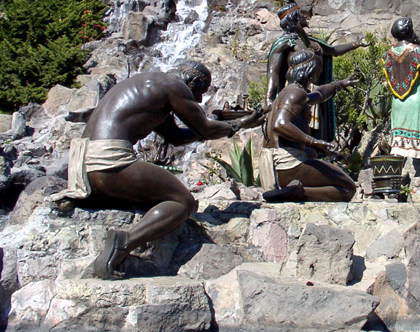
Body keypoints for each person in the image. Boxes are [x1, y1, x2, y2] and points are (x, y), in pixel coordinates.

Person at [51, 61, 262, 279]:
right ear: (194, 81)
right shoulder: (175, 86)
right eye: (200, 92)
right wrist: (241, 124)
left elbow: (175, 137)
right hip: (108, 161)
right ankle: (123, 243)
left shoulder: (150, 85)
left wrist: (216, 123)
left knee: (153, 198)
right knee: (184, 202)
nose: (199, 100)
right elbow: (205, 129)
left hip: (82, 166)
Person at [261, 49, 358, 202]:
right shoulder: (295, 93)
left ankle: (293, 190)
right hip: (289, 165)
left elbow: (318, 95)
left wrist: (339, 84)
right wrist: (313, 141)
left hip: (281, 165)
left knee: (313, 155)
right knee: (348, 189)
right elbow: (279, 124)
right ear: (311, 71)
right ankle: (296, 193)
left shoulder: (289, 92)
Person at [266, 0, 366, 142]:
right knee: (300, 130)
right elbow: (273, 72)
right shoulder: (285, 43)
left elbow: (333, 51)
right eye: (301, 14)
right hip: (295, 93)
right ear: (295, 18)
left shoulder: (313, 42)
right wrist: (269, 100)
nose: (305, 17)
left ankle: (316, 159)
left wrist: (356, 44)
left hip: (316, 91)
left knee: (319, 131)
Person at [382, 17, 420, 176]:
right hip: (418, 99)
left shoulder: (387, 54)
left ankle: (393, 180)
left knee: (399, 142)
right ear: (410, 32)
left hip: (398, 103)